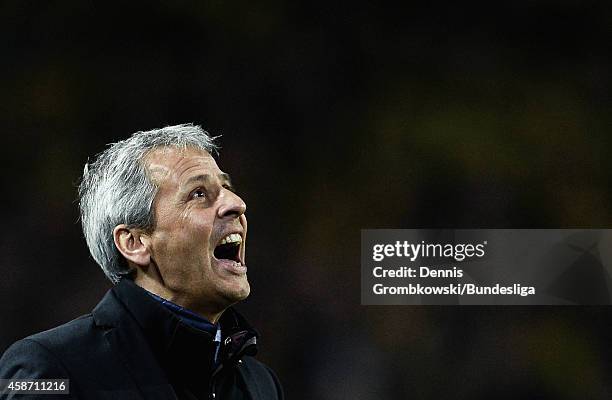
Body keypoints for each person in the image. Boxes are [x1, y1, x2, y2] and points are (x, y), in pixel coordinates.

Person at [0, 124, 283, 399]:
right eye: (199, 194)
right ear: (134, 243)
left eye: (226, 187)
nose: (237, 203)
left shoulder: (261, 384)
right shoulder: (51, 368)